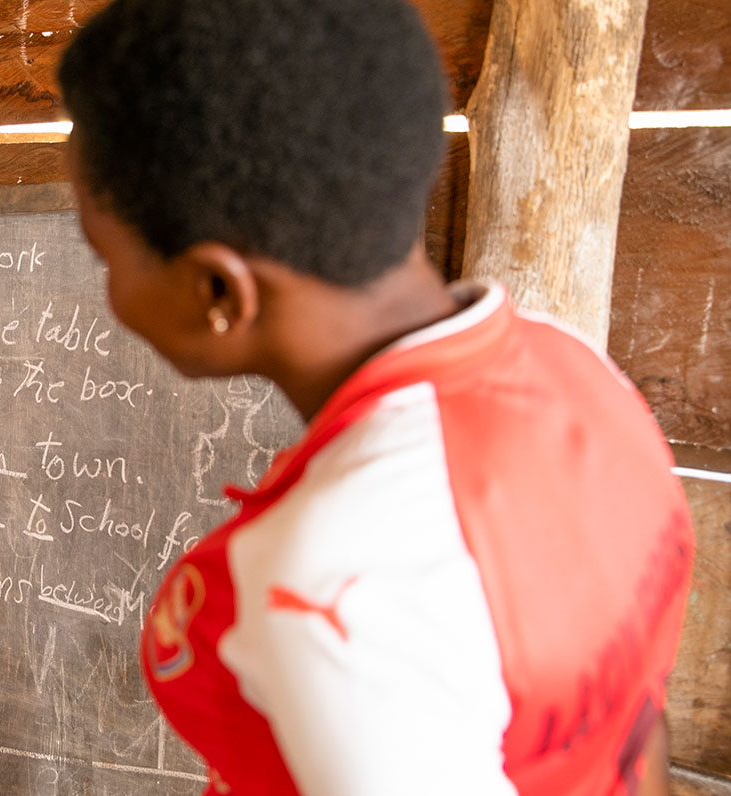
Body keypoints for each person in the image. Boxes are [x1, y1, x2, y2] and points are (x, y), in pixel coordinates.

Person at [58, 1, 694, 794]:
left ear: (218, 291)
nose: (109, 289)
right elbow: (637, 724)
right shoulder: (579, 376)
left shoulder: (332, 581)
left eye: (103, 256)